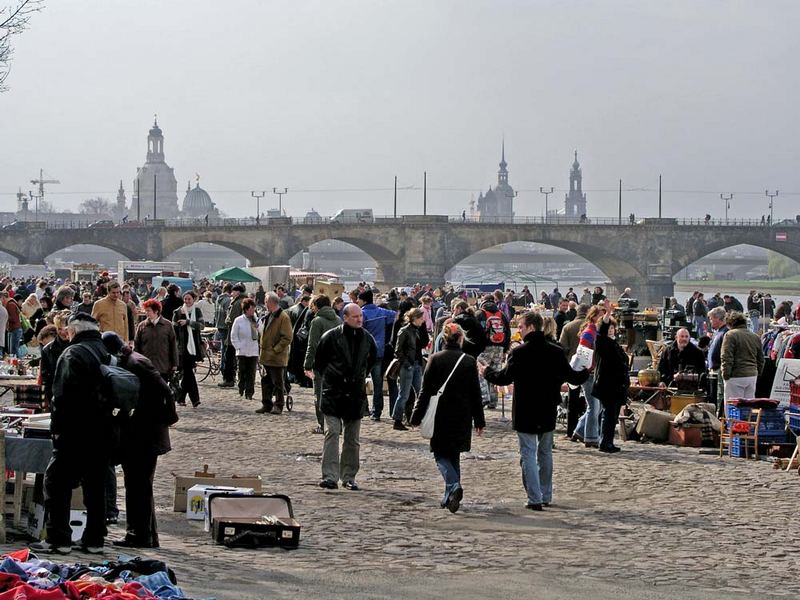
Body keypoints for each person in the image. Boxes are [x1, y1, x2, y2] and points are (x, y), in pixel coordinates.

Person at [480, 311, 588, 511]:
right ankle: (545, 494)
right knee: (545, 452)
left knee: (528, 453)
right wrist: (586, 370)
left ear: (530, 327)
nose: (518, 330)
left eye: (520, 327)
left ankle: (535, 497)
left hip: (525, 409)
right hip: (547, 408)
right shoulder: (555, 351)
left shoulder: (520, 352)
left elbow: (504, 377)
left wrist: (486, 371)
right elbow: (573, 377)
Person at [31, 314, 113, 555]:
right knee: (95, 486)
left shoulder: (73, 353)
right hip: (102, 429)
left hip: (75, 431)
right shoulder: (104, 350)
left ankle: (58, 538)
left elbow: (63, 397)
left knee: (56, 483)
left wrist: (57, 430)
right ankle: (95, 539)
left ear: (74, 331)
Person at [101, 332, 173, 549]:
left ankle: (139, 535)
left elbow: (165, 391)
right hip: (143, 432)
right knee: (140, 485)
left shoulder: (137, 363)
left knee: (138, 485)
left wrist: (165, 419)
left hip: (144, 434)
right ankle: (145, 534)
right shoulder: (134, 361)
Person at [410, 323, 485, 513]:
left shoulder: (434, 359)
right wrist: (480, 420)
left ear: (443, 339)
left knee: (440, 454)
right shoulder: (468, 361)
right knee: (454, 455)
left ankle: (452, 486)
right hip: (462, 414)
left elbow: (424, 392)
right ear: (461, 339)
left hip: (441, 413)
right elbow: (476, 393)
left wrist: (416, 416)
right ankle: (449, 497)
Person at [313, 303, 376, 490]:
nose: (359, 319)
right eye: (355, 316)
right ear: (345, 317)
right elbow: (320, 363)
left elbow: (370, 362)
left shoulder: (367, 339)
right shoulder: (331, 337)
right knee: (332, 432)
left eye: (361, 316)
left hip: (355, 394)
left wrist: (358, 376)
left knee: (352, 439)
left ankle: (349, 477)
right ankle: (330, 476)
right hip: (333, 392)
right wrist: (333, 378)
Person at [592, 300, 630, 453]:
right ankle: (605, 442)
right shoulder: (602, 342)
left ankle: (606, 441)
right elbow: (602, 330)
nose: (611, 330)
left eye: (613, 328)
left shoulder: (614, 344)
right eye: (609, 328)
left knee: (609, 414)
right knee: (608, 414)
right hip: (607, 384)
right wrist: (607, 314)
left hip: (615, 385)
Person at [357, 289, 397, 421]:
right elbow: (396, 315)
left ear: (364, 301)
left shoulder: (361, 314)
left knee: (360, 381)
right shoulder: (382, 312)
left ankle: (364, 409)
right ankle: (377, 412)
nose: (357, 301)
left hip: (364, 352)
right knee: (378, 384)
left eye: (359, 299)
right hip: (379, 351)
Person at [304, 295, 341, 434]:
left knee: (320, 395)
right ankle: (338, 425)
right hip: (337, 364)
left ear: (316, 306)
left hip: (321, 364)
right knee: (336, 395)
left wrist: (307, 364)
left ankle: (323, 425)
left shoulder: (317, 321)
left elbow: (312, 345)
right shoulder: (339, 319)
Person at [572, 305, 604, 447]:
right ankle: (591, 437)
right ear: (594, 316)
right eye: (601, 316)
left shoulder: (596, 331)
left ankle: (579, 431)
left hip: (594, 373)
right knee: (593, 406)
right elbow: (582, 352)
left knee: (598, 406)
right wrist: (587, 368)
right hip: (588, 374)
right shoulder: (589, 332)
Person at [391, 308, 427, 430]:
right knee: (404, 395)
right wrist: (407, 364)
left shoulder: (416, 330)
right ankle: (397, 419)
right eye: (421, 318)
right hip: (408, 366)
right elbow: (398, 350)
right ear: (415, 318)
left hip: (416, 364)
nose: (423, 321)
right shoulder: (404, 331)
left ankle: (419, 418)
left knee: (421, 392)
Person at [257, 292, 293, 414]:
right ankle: (266, 404)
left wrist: (275, 350)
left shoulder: (283, 317)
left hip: (276, 357)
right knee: (266, 381)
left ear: (271, 302)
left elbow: (287, 337)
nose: (265, 304)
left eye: (266, 301)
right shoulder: (269, 315)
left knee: (278, 382)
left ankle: (278, 404)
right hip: (267, 356)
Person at [559, 304, 590, 439]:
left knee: (573, 400)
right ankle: (587, 429)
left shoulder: (568, 327)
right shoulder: (592, 327)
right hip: (588, 368)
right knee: (590, 402)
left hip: (572, 367)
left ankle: (571, 430)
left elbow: (563, 348)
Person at [720, 311, 764, 406]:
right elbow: (761, 359)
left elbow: (726, 357)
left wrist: (725, 375)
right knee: (748, 409)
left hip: (735, 375)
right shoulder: (755, 336)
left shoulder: (730, 335)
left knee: (733, 407)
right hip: (752, 375)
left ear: (730, 323)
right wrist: (758, 372)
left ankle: (732, 421)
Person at [476, 294, 511, 409]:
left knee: (481, 371)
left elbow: (478, 332)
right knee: (495, 373)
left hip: (485, 347)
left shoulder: (480, 313)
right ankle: (494, 401)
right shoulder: (501, 314)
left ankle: (484, 397)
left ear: (483, 301)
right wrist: (505, 349)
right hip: (499, 347)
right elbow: (508, 332)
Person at [172, 291, 205, 408]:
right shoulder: (177, 312)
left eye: (189, 299)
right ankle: (195, 399)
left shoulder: (197, 311)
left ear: (194, 299)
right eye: (185, 299)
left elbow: (201, 326)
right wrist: (178, 324)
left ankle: (181, 398)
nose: (187, 301)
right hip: (181, 347)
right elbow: (173, 329)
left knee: (187, 372)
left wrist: (188, 322)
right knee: (188, 371)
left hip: (193, 346)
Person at [134, 299, 178, 383]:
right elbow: (137, 345)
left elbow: (173, 345)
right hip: (146, 366)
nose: (146, 313)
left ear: (156, 311)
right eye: (145, 310)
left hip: (163, 365)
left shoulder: (167, 325)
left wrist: (175, 363)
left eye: (148, 311)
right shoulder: (142, 326)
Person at [39, 310, 72, 407]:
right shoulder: (47, 349)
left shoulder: (79, 347)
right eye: (59, 329)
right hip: (56, 394)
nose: (63, 332)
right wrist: (51, 395)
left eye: (65, 329)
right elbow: (46, 375)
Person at [230, 297, 260, 400]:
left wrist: (257, 326)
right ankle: (241, 388)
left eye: (254, 309)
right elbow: (233, 336)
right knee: (242, 371)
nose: (253, 311)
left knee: (251, 373)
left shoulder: (256, 319)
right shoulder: (238, 320)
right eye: (251, 309)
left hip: (253, 350)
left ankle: (249, 392)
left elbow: (262, 331)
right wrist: (238, 347)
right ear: (246, 309)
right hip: (242, 350)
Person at [219, 284, 245, 387]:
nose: (231, 293)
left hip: (233, 334)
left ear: (238, 292)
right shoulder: (244, 301)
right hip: (240, 335)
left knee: (229, 357)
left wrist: (227, 320)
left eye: (233, 292)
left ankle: (229, 379)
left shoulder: (237, 303)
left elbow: (232, 319)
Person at [706, 307, 729, 416]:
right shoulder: (718, 332)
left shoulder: (725, 332)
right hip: (713, 370)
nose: (710, 321)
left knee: (720, 395)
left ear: (717, 318)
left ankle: (720, 417)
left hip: (719, 369)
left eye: (711, 319)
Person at [2, 291, 22, 355]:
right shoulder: (10, 304)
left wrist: (5, 317)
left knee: (14, 350)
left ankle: (17, 363)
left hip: (15, 329)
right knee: (13, 349)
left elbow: (14, 319)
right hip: (14, 328)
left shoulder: (10, 305)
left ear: (3, 298)